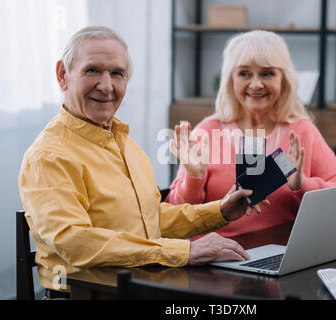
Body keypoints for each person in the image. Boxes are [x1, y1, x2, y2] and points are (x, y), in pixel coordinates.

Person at [18, 26, 256, 296]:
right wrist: (184, 251)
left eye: (117, 73)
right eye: (92, 70)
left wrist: (220, 211)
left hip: (140, 286)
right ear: (63, 75)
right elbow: (74, 242)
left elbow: (150, 221)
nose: (106, 86)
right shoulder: (48, 156)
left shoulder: (127, 145)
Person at [167, 30, 336, 237]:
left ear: (283, 79)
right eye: (244, 73)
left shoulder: (301, 131)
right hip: (216, 257)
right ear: (231, 79)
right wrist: (194, 177)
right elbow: (175, 217)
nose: (256, 85)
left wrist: (302, 185)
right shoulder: (207, 132)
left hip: (283, 256)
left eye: (267, 73)